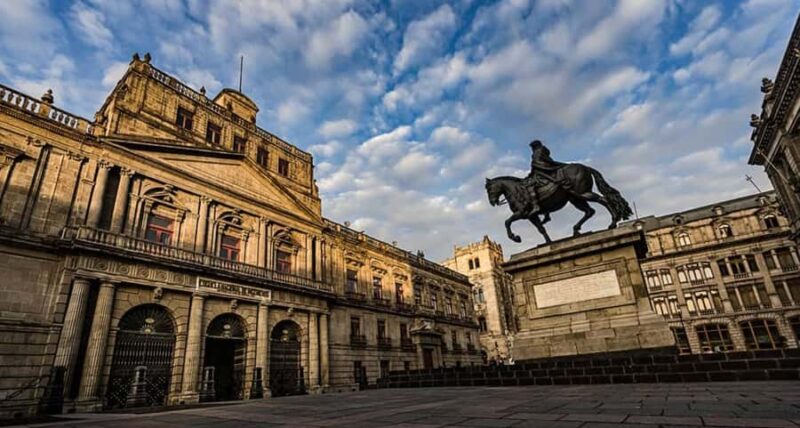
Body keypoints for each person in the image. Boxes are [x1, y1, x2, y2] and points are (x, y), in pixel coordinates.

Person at [523, 140, 565, 218]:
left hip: (542, 171)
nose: (532, 149)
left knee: (529, 186)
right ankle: (546, 213)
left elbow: (537, 164)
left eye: (532, 147)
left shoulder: (537, 152)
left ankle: (536, 206)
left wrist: (532, 172)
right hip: (542, 170)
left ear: (534, 146)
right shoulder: (542, 151)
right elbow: (546, 161)